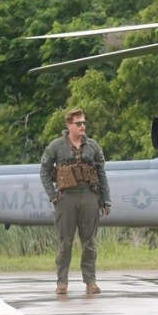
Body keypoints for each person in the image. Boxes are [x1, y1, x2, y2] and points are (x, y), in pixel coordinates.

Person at [40, 108, 111, 295]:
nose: (82, 126)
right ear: (69, 125)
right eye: (78, 123)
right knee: (65, 242)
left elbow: (101, 173)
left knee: (90, 242)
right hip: (66, 198)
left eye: (84, 123)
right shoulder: (56, 146)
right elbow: (44, 171)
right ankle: (62, 282)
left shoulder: (93, 146)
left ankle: (90, 281)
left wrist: (106, 199)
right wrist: (52, 195)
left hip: (89, 195)